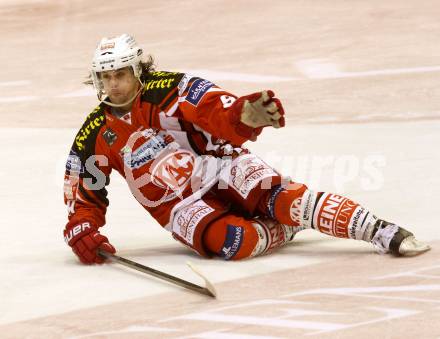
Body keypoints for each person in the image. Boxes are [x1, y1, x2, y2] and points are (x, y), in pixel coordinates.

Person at [63, 34, 430, 265]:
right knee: (235, 244)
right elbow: (84, 191)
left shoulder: (169, 87)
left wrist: (243, 116)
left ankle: (378, 230)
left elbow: (211, 107)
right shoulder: (94, 133)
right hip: (178, 206)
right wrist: (82, 229)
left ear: (138, 71)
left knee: (286, 200)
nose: (114, 84)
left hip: (217, 164)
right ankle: (287, 229)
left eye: (121, 74)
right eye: (105, 77)